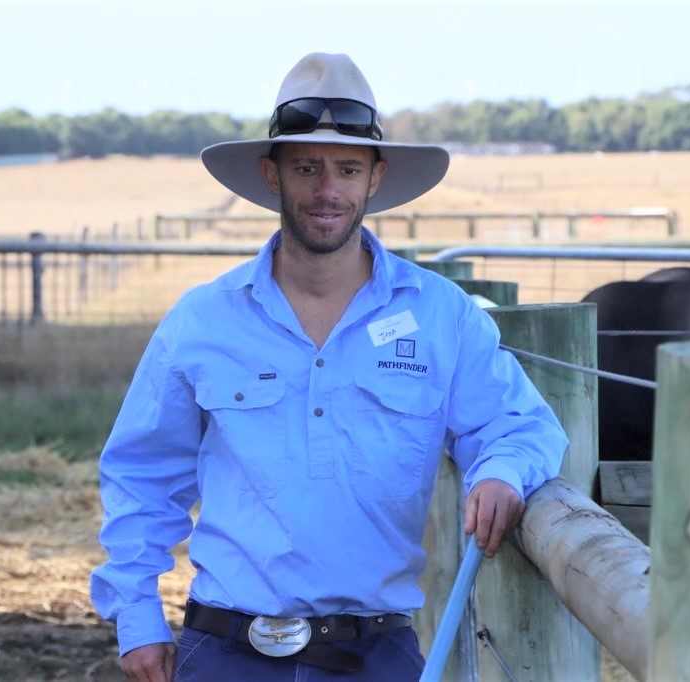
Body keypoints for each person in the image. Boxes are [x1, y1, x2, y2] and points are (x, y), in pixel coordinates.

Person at [90, 52, 568, 682]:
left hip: (375, 656)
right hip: (226, 651)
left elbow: (521, 425)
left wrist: (502, 473)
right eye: (306, 167)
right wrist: (137, 619)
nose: (326, 189)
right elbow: (142, 476)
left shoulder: (440, 317)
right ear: (272, 175)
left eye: (347, 168)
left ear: (375, 178)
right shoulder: (203, 320)